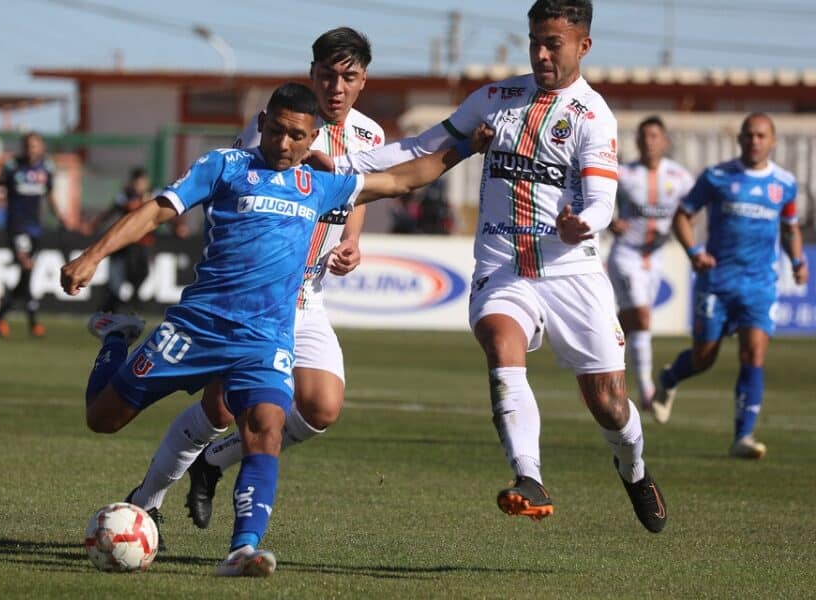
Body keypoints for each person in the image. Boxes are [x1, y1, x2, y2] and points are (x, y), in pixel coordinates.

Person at [61, 82, 483, 576]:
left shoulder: (321, 184)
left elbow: (404, 180)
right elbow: (157, 210)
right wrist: (92, 255)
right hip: (197, 328)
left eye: (297, 136)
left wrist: (465, 147)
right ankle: (116, 336)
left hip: (263, 339)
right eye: (277, 131)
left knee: (266, 430)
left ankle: (242, 549)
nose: (285, 144)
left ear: (314, 137)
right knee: (103, 418)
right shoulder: (223, 166)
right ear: (262, 124)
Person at [336, 0, 667, 533]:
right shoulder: (495, 98)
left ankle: (634, 468)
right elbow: (422, 146)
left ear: (582, 46)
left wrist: (584, 222)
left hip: (570, 272)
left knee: (609, 404)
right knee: (499, 339)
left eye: (552, 43)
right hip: (502, 265)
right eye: (534, 40)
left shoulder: (592, 115)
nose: (539, 53)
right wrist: (339, 160)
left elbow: (603, 199)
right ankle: (529, 477)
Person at [122, 26, 386, 539]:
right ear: (311, 74)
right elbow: (244, 185)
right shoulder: (278, 126)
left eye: (348, 77)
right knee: (218, 407)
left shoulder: (372, 136)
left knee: (320, 408)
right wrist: (309, 161)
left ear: (362, 81)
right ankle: (147, 500)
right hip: (251, 299)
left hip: (306, 297)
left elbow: (357, 197)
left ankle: (212, 464)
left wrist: (352, 240)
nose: (336, 87)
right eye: (327, 75)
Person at [651, 113, 807, 460]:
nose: (755, 141)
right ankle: (671, 377)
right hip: (717, 283)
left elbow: (791, 226)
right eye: (749, 135)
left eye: (761, 136)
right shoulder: (717, 177)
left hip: (760, 285)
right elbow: (683, 216)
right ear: (739, 139)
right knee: (704, 358)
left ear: (773, 141)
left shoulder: (784, 183)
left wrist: (798, 261)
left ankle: (743, 437)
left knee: (754, 354)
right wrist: (694, 253)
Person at [608, 117, 694, 409]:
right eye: (644, 136)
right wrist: (609, 221)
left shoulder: (680, 178)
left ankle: (598, 361)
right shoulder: (624, 174)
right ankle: (646, 390)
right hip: (626, 255)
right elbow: (596, 199)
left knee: (628, 323)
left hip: (654, 258)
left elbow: (692, 209)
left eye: (655, 136)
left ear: (665, 141)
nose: (649, 141)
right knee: (643, 318)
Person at [0, 132, 65, 338]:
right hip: (17, 227)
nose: (31, 149)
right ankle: (33, 322)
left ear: (41, 147)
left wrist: (60, 217)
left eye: (35, 145)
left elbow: (50, 194)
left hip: (36, 228)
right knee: (27, 266)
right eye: (28, 145)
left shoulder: (46, 168)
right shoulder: (12, 167)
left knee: (26, 276)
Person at [89, 167, 156, 314]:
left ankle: (131, 301)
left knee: (143, 272)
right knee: (119, 282)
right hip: (126, 245)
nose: (139, 185)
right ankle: (110, 309)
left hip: (144, 243)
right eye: (137, 182)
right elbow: (111, 211)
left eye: (142, 182)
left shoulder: (154, 196)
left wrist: (178, 226)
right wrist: (94, 224)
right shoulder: (125, 196)